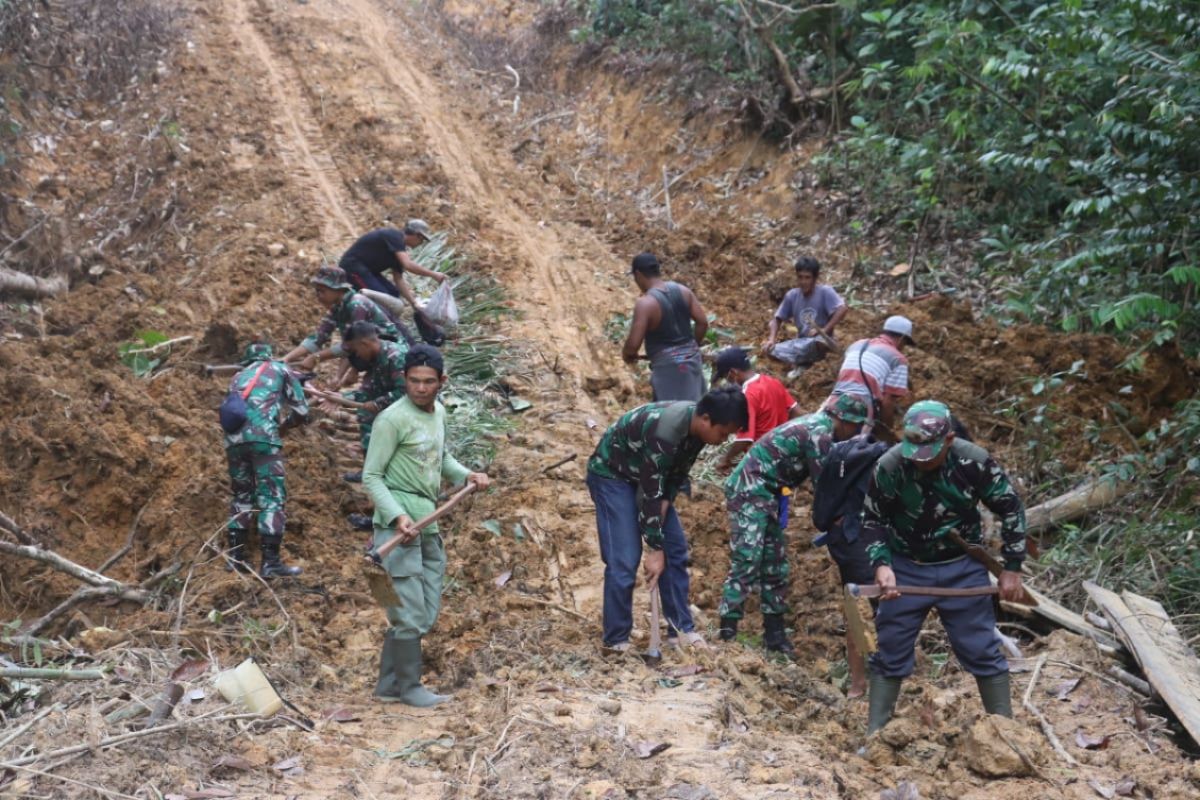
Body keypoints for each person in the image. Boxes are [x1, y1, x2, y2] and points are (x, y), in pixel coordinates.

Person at [861, 400, 1027, 734]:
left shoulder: (974, 461)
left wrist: (1011, 567)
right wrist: (881, 565)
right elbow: (872, 518)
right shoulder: (890, 466)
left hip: (962, 567)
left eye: (929, 454)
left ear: (949, 440)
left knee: (981, 647)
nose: (920, 462)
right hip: (906, 566)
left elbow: (1010, 508)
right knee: (891, 649)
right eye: (914, 452)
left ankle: (1005, 732)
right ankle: (875, 734)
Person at [362, 344, 490, 707]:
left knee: (424, 609)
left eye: (428, 382)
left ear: (441, 382)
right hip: (397, 530)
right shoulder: (391, 419)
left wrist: (469, 476)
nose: (420, 388)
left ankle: (388, 685)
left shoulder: (438, 415)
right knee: (407, 610)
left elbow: (442, 457)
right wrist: (396, 515)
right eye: (414, 381)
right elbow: (372, 477)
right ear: (404, 380)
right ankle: (409, 687)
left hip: (427, 523)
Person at [587, 387, 748, 653]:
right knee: (625, 557)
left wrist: (662, 533)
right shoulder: (666, 431)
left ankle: (681, 631)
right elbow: (649, 492)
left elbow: (671, 480)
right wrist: (654, 547)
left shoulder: (698, 433)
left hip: (648, 479)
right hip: (612, 475)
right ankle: (616, 639)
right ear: (706, 418)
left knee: (675, 550)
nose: (723, 440)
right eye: (723, 433)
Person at [718, 394, 869, 656]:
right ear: (843, 421)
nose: (854, 433)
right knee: (748, 559)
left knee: (775, 564)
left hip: (769, 494)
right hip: (750, 491)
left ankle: (774, 637)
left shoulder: (820, 428)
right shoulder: (819, 433)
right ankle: (726, 634)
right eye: (855, 427)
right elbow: (826, 485)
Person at [811, 434, 889, 697]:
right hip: (857, 538)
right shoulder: (889, 465)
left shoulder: (872, 461)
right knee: (865, 608)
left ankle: (863, 683)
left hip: (847, 538)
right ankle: (865, 684)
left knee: (859, 605)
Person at [222, 343, 309, 578]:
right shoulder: (280, 369)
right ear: (269, 356)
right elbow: (302, 411)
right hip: (264, 441)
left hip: (234, 442)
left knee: (242, 496)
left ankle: (235, 559)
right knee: (271, 496)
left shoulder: (237, 377)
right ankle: (270, 562)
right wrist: (284, 426)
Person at [334, 320, 409, 500]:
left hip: (412, 409)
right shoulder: (375, 358)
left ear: (365, 344)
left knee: (377, 420)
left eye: (355, 351)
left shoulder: (395, 356)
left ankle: (385, 478)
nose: (356, 357)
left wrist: (377, 404)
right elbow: (367, 391)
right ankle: (371, 469)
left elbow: (406, 392)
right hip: (394, 403)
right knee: (366, 414)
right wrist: (342, 398)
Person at [621, 252, 709, 401]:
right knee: (696, 408)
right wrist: (692, 346)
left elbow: (633, 345)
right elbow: (702, 323)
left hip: (668, 368)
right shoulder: (683, 291)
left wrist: (627, 355)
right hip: (693, 360)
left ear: (638, 274)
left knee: (671, 413)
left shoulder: (646, 303)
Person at [282, 266, 406, 369]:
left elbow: (352, 345)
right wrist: (286, 359)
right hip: (369, 353)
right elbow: (319, 337)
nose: (318, 296)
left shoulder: (357, 304)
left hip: (391, 351)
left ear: (338, 289)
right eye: (317, 291)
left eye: (322, 291)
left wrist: (316, 357)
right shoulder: (337, 307)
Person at [712, 346, 800, 472]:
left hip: (764, 456)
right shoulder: (772, 381)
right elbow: (797, 412)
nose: (729, 381)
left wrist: (725, 459)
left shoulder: (748, 395)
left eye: (727, 377)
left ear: (733, 373)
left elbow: (745, 438)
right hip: (785, 449)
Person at [829, 315, 913, 439]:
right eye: (905, 343)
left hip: (833, 402)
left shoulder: (856, 344)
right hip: (859, 409)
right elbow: (887, 403)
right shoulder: (898, 359)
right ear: (901, 339)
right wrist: (886, 434)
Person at [762, 257, 847, 375]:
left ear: (815, 278)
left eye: (807, 278)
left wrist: (824, 329)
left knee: (819, 343)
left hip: (821, 341)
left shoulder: (825, 292)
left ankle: (804, 364)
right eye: (800, 277)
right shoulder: (792, 295)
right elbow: (776, 319)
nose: (803, 282)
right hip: (802, 343)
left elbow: (842, 309)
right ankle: (802, 364)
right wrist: (771, 339)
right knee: (770, 350)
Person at [338, 221, 449, 310]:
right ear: (416, 235)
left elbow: (399, 279)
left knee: (393, 294)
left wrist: (414, 303)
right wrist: (433, 275)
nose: (421, 243)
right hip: (353, 267)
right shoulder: (394, 236)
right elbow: (408, 265)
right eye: (422, 239)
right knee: (382, 298)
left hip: (368, 271)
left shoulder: (398, 249)